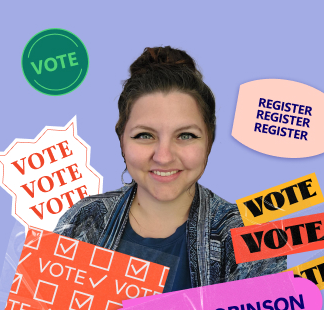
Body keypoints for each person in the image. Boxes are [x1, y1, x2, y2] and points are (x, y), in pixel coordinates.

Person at [54, 46, 286, 292]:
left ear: (209, 140)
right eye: (144, 135)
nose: (163, 157)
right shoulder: (84, 219)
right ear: (122, 140)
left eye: (185, 135)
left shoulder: (248, 235)